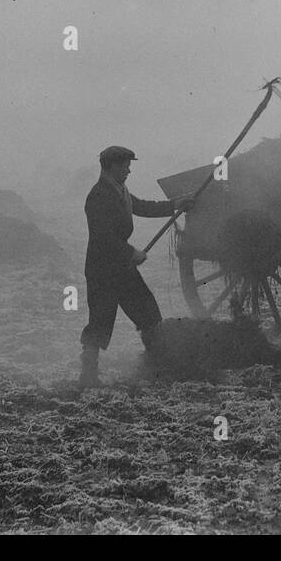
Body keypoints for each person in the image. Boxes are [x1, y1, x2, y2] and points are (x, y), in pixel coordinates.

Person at [79, 145, 192, 388]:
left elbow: (141, 207)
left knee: (149, 313)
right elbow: (103, 237)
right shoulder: (98, 196)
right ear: (111, 167)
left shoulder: (120, 190)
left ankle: (156, 365)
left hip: (122, 268)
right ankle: (87, 377)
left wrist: (175, 205)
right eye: (125, 166)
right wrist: (131, 252)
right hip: (103, 270)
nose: (129, 170)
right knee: (100, 321)